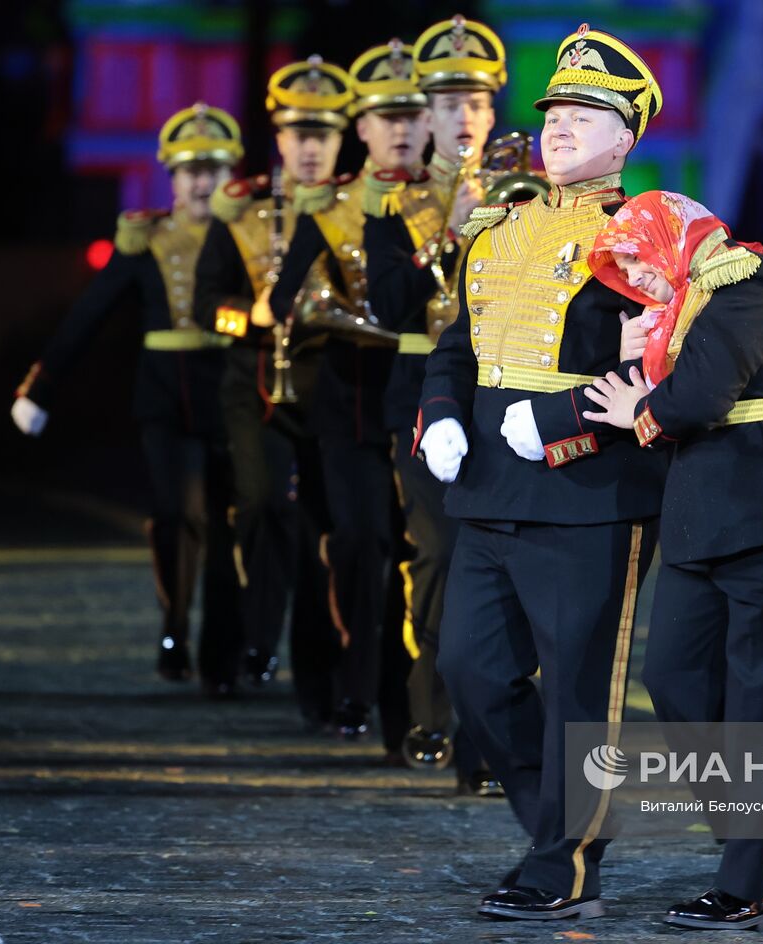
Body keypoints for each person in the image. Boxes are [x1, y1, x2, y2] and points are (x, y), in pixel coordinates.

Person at [415, 23, 667, 921]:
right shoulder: (499, 228)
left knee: (578, 692)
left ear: (626, 136)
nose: (559, 123)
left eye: (586, 109)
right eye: (555, 107)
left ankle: (567, 856)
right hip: (488, 487)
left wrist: (556, 420)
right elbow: (456, 346)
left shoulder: (652, 239)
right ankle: (550, 828)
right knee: (470, 668)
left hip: (589, 493)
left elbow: (663, 371)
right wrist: (442, 415)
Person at [580, 190, 763, 929]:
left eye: (641, 264)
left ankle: (750, 879)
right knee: (674, 679)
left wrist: (641, 407)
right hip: (708, 515)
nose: (641, 284)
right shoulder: (678, 310)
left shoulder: (750, 281)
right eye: (626, 273)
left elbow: (701, 398)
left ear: (675, 240)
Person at [13, 103, 244, 697]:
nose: (201, 182)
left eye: (214, 169)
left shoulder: (249, 235)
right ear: (171, 176)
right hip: (166, 395)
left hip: (234, 389)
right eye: (190, 170)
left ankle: (223, 654)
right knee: (176, 514)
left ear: (231, 175)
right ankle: (174, 624)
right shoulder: (146, 239)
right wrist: (42, 386)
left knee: (229, 526)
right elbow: (89, 314)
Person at [359, 14, 511, 790]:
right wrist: (440, 240)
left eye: (475, 103)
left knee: (510, 571)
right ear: (425, 113)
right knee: (442, 558)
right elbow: (386, 307)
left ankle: (489, 741)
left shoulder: (531, 191)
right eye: (446, 103)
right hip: (423, 399)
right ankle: (433, 714)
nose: (462, 118)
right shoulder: (392, 209)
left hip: (514, 399)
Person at [266, 39, 431, 750]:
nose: (399, 128)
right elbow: (279, 302)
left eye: (411, 115)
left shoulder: (452, 203)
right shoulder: (330, 210)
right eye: (382, 117)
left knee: (416, 553)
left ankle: (412, 711)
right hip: (351, 398)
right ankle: (355, 691)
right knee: (361, 546)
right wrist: (331, 310)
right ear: (358, 128)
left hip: (430, 395)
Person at [194, 56, 354, 728]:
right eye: (298, 134)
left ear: (342, 139)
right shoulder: (245, 211)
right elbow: (206, 304)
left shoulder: (357, 209)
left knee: (326, 537)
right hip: (253, 382)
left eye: (323, 134)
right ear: (280, 140)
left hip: (332, 385)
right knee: (261, 504)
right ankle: (257, 637)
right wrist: (249, 314)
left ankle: (320, 685)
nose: (311, 147)